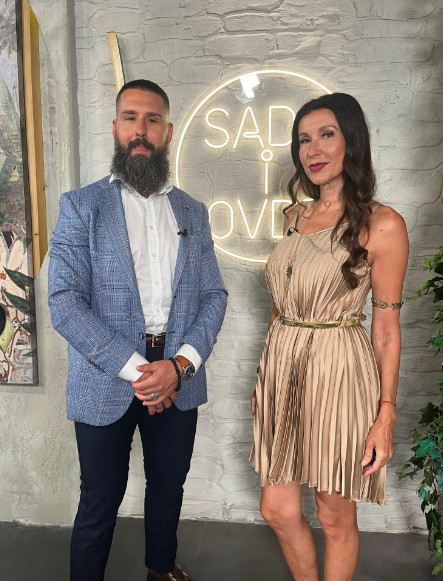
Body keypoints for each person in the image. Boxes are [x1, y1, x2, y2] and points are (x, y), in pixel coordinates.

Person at [48, 79, 227, 581]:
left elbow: (213, 296)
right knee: (100, 499)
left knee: (169, 487)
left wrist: (179, 365)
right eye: (130, 118)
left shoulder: (193, 212)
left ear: (168, 131)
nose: (140, 130)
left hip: (178, 374)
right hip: (105, 377)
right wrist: (140, 372)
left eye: (152, 120)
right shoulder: (81, 206)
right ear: (115, 127)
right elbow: (64, 302)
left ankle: (160, 569)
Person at [249, 92, 409, 581]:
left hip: (340, 370)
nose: (312, 150)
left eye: (326, 135)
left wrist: (385, 414)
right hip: (283, 368)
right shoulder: (293, 217)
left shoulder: (383, 224)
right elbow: (281, 304)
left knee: (334, 513)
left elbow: (386, 329)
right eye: (303, 139)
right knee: (277, 509)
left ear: (351, 141)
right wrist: (265, 378)